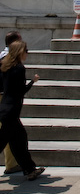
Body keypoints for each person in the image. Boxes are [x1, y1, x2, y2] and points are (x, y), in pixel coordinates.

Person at [0, 40, 45, 180]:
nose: (27, 53)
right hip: (12, 111)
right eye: (26, 51)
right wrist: (33, 82)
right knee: (6, 142)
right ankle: (30, 169)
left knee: (18, 141)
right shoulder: (19, 68)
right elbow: (20, 91)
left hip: (5, 108)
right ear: (20, 51)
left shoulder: (5, 66)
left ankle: (30, 169)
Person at [0, 31, 22, 175]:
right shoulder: (11, 58)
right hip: (4, 98)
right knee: (7, 131)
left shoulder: (2, 55)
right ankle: (12, 164)